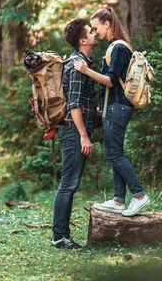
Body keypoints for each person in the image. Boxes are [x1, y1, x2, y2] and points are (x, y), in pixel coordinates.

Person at [74, 7, 150, 217]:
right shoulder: (113, 47)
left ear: (107, 24)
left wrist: (86, 71)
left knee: (114, 153)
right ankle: (118, 201)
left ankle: (139, 195)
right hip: (113, 107)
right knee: (114, 152)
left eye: (96, 28)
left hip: (118, 107)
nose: (94, 32)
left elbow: (109, 80)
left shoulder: (118, 48)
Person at [51, 18, 98, 249]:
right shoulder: (78, 66)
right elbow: (75, 104)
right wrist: (83, 135)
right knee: (68, 184)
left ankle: (62, 235)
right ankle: (59, 237)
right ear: (82, 40)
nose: (95, 33)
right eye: (91, 31)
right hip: (72, 131)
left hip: (72, 129)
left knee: (70, 183)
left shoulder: (82, 63)